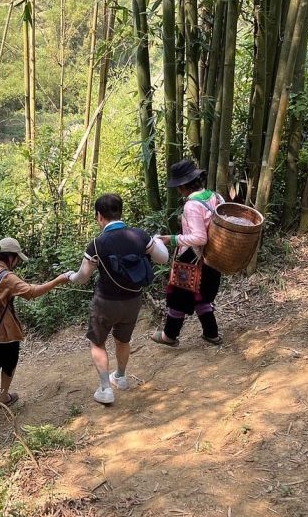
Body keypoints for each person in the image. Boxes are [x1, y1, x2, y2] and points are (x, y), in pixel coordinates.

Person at [64, 194, 169, 404]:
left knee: (97, 342)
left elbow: (82, 278)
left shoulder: (97, 244)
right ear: (120, 212)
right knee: (123, 340)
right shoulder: (140, 236)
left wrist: (69, 276)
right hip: (133, 301)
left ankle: (105, 389)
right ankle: (120, 377)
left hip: (105, 302)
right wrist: (156, 240)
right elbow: (163, 258)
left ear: (99, 216)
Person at [0, 237, 68, 406]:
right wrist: (58, 280)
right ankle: (3, 397)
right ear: (10, 257)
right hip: (4, 332)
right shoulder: (7, 277)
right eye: (16, 258)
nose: (16, 262)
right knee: (8, 364)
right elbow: (31, 292)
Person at [152, 159, 225, 346]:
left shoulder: (192, 205)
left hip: (192, 258)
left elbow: (200, 237)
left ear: (183, 185)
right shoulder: (213, 195)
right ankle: (212, 334)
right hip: (212, 257)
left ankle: (169, 335)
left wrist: (173, 239)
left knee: (178, 297)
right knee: (201, 296)